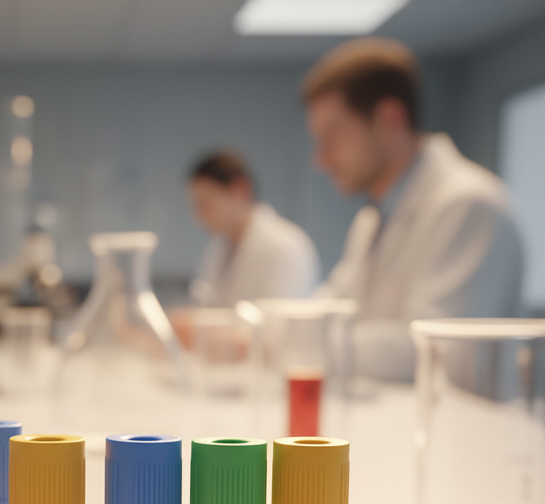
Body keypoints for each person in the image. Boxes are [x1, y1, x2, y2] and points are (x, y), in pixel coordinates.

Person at [305, 38, 523, 381]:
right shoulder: (372, 220)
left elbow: (439, 354)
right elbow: (332, 307)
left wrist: (293, 342)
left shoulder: (467, 205)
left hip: (465, 429)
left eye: (331, 138)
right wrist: (270, 332)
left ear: (390, 120)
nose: (322, 160)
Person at [187, 151, 320, 307]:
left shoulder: (285, 246)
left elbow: (277, 325)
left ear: (240, 190)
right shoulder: (217, 249)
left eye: (206, 203)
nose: (198, 215)